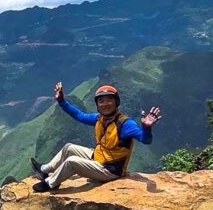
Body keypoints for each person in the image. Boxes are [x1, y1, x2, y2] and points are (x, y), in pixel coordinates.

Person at [30, 82, 162, 192]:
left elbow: (145, 139)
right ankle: (44, 170)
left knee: (72, 161)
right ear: (97, 105)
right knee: (69, 148)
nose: (105, 104)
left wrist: (146, 128)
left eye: (109, 100)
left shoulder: (125, 124)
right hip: (98, 158)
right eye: (101, 101)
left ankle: (50, 183)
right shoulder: (99, 119)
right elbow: (80, 116)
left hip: (110, 170)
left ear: (116, 103)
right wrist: (62, 101)